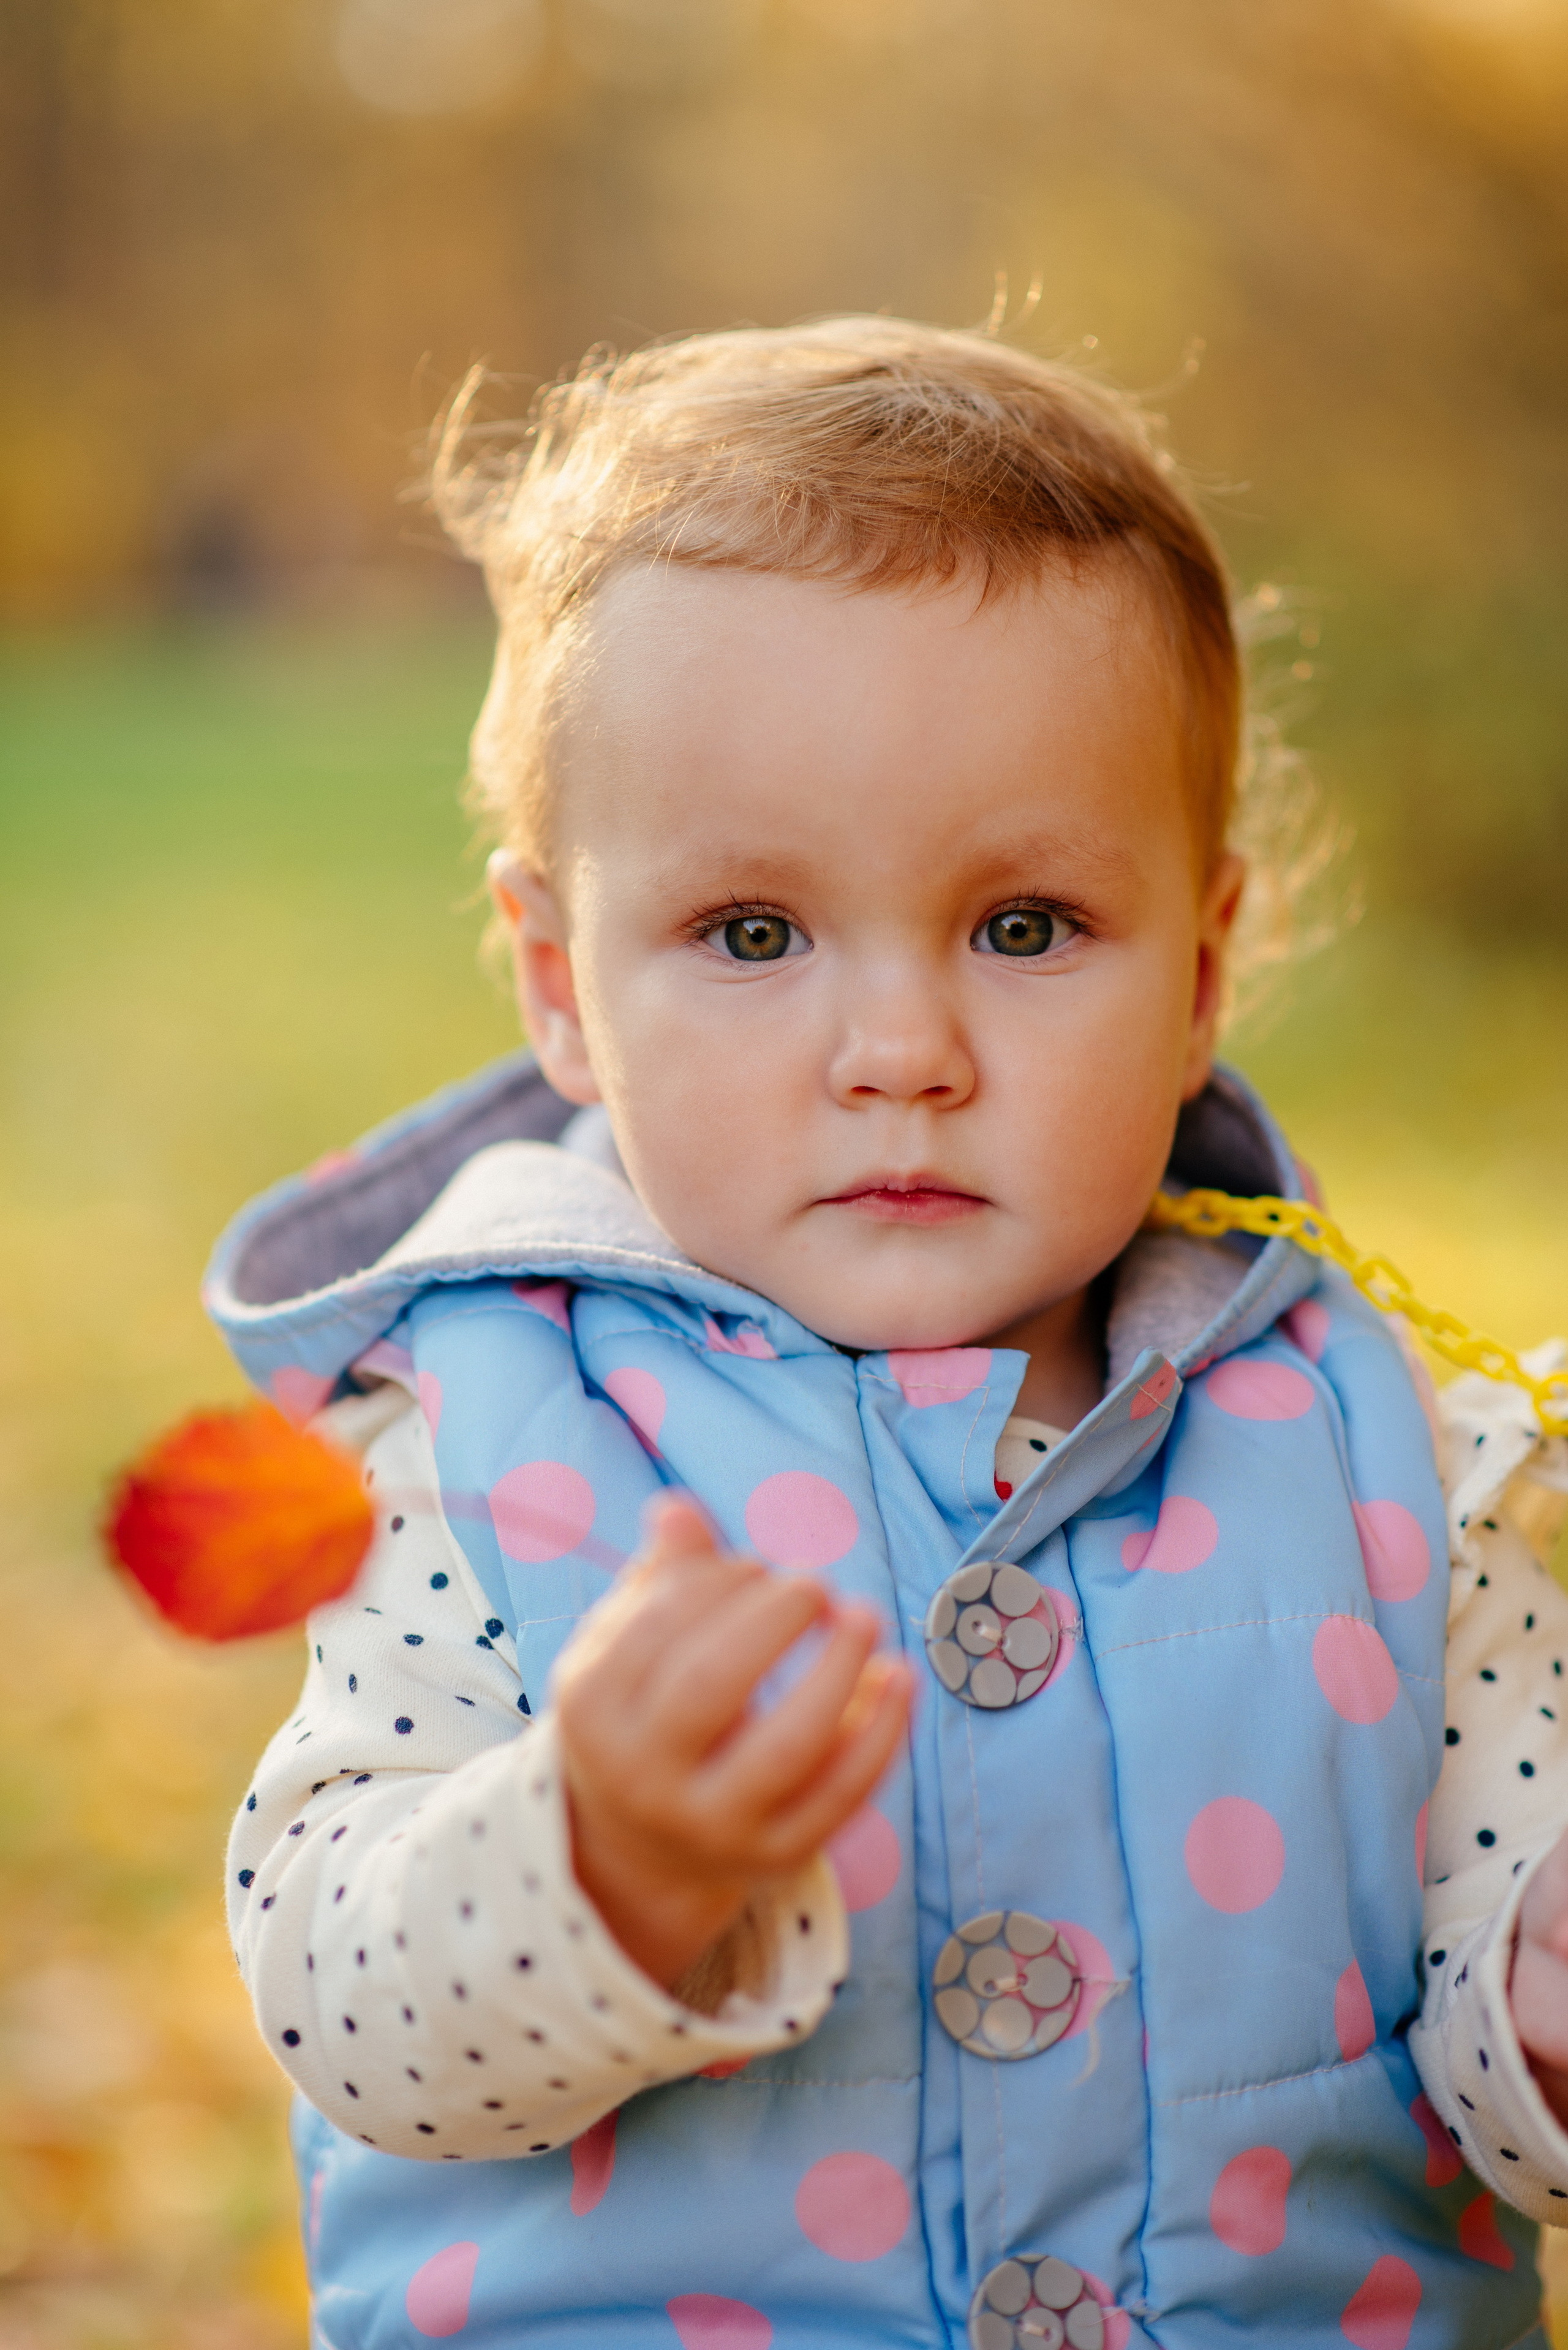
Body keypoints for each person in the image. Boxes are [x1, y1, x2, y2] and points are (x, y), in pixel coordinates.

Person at [208, 318, 1568, 2349]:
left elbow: (1490, 2006)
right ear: (562, 984)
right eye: (754, 934)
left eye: (1025, 927)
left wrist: (1538, 1997)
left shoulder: (1396, 1456)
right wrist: (588, 1861)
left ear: (1202, 971)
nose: (903, 1051)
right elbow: (338, 1997)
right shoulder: (474, 1439)